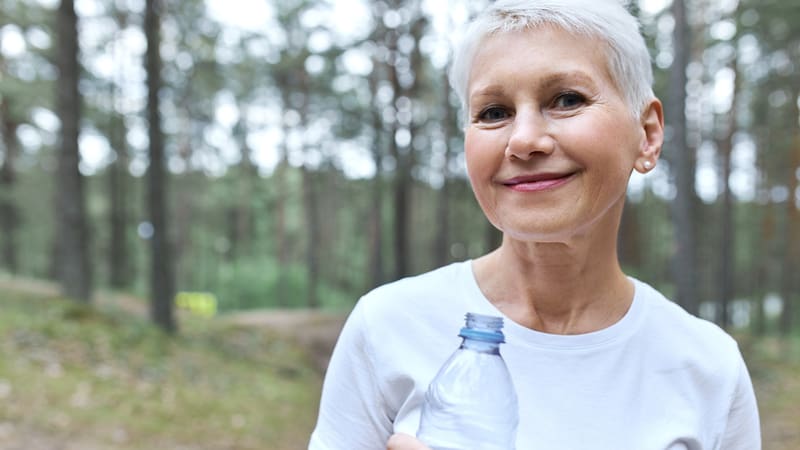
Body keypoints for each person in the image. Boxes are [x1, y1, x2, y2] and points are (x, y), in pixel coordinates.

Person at [309, 0, 762, 448]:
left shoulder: (709, 367)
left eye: (567, 100)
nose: (523, 140)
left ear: (647, 134)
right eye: (493, 112)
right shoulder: (388, 326)